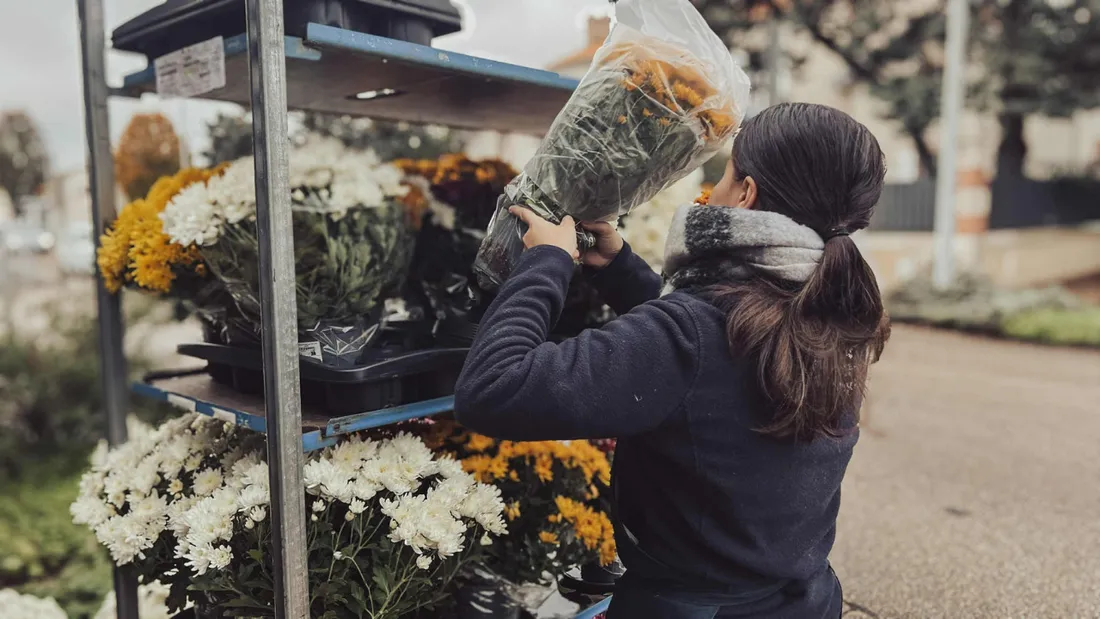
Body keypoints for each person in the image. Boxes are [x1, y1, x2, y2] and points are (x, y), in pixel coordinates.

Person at [453, 102, 891, 618]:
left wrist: (545, 261)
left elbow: (494, 388)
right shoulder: (834, 309)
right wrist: (620, 268)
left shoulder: (694, 334)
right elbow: (716, 366)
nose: (714, 189)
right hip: (804, 600)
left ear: (746, 194)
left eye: (724, 174)